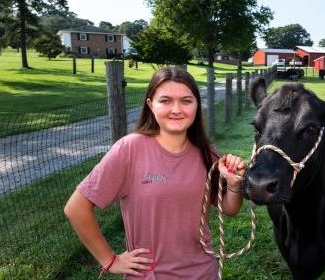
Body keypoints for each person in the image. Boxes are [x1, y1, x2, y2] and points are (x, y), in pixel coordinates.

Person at [64, 67, 246, 279]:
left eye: (186, 101)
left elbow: (229, 209)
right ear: (151, 105)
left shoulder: (207, 153)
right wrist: (110, 260)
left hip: (203, 272)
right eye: (166, 100)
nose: (176, 109)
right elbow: (76, 208)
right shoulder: (130, 149)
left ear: (197, 104)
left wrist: (234, 184)